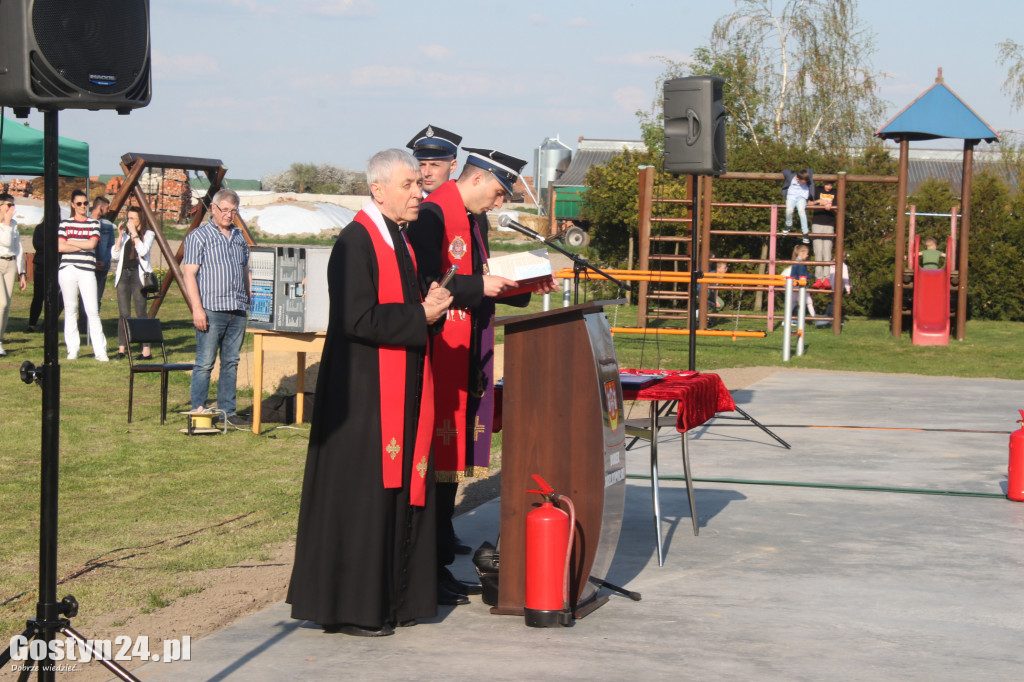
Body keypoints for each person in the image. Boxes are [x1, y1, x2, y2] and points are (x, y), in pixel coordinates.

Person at [288, 149, 453, 637]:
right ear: (377, 189)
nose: (418, 192)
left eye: (418, 185)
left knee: (397, 492)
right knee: (363, 498)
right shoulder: (355, 242)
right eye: (408, 185)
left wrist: (433, 302)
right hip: (362, 395)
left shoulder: (397, 239)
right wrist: (419, 317)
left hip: (395, 387)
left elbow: (402, 302)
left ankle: (393, 599)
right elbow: (354, 320)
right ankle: (352, 607)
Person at [406, 146, 554, 605]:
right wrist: (477, 286)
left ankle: (440, 560)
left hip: (469, 349)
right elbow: (425, 281)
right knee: (435, 465)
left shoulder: (474, 219)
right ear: (476, 179)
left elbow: (478, 280)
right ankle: (426, 565)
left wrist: (524, 286)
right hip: (439, 352)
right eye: (496, 191)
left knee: (450, 470)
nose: (498, 202)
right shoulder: (433, 216)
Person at [181, 188, 251, 426]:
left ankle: (228, 413)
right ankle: (199, 411)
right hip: (211, 309)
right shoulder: (198, 236)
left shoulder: (240, 237)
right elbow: (189, 274)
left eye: (233, 211)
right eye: (225, 210)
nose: (229, 215)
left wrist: (249, 300)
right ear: (213, 208)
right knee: (205, 362)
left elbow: (244, 271)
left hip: (237, 310)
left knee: (231, 362)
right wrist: (197, 309)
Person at [57, 189, 108, 361]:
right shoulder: (64, 224)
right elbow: (60, 247)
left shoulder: (94, 223)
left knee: (92, 310)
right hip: (67, 269)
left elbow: (92, 243)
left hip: (87, 270)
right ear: (72, 205)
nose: (83, 206)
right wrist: (82, 244)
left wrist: (71, 241)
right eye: (79, 203)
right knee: (70, 309)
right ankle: (73, 349)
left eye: (85, 203)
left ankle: (100, 351)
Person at [111, 206, 155, 360]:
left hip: (138, 276)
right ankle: (122, 350)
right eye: (128, 218)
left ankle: (146, 351)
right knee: (123, 313)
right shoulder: (124, 236)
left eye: (132, 219)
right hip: (123, 275)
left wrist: (135, 235)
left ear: (140, 221)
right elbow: (114, 255)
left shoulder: (148, 234)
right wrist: (120, 237)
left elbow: (143, 251)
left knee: (141, 312)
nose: (128, 221)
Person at [79, 196, 115, 336]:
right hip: (87, 266)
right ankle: (83, 327)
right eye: (107, 207)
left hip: (102, 267)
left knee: (97, 298)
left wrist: (105, 261)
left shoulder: (107, 225)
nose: (109, 210)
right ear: (100, 207)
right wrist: (92, 261)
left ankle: (92, 326)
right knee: (84, 297)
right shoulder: (85, 223)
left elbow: (111, 245)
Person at [0, 193, 27, 357]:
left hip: (10, 264)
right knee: (1, 303)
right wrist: (7, 222)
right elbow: (6, 242)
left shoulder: (14, 224)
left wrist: (22, 272)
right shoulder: (7, 224)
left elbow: (18, 248)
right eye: (9, 205)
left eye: (13, 205)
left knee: (7, 306)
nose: (12, 208)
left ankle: (0, 341)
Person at [406, 124, 462, 195]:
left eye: (434, 165)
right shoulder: (405, 202)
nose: (426, 173)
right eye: (421, 165)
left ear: (452, 166)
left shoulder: (462, 201)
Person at [809, 179, 837, 281]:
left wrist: (832, 207)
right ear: (823, 183)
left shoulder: (836, 192)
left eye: (831, 184)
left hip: (829, 224)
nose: (829, 186)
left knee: (827, 251)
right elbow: (809, 203)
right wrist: (818, 202)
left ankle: (826, 279)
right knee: (818, 251)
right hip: (817, 223)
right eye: (827, 184)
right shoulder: (817, 190)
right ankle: (818, 278)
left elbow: (840, 208)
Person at [781, 168, 816, 244]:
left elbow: (810, 170)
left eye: (806, 181)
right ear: (798, 178)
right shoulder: (791, 177)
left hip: (802, 197)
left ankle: (805, 233)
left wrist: (807, 173)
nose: (805, 182)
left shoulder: (807, 178)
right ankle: (788, 225)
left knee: (801, 212)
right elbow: (786, 171)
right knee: (789, 210)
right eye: (804, 181)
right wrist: (783, 171)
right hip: (791, 196)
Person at [789, 243, 816, 320]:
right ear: (802, 253)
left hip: (794, 284)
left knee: (794, 303)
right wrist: (811, 275)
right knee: (809, 302)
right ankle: (815, 319)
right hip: (800, 284)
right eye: (806, 254)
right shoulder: (801, 263)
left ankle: (787, 319)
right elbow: (802, 275)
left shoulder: (795, 262)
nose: (807, 256)